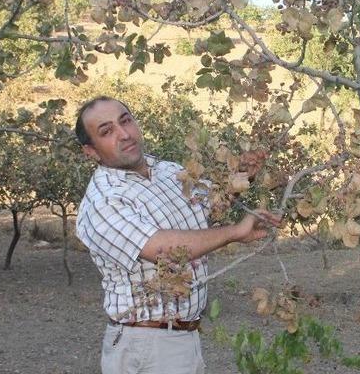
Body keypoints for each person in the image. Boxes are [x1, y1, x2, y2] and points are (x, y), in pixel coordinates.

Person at [74, 96, 279, 374]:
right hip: (147, 345)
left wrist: (244, 175)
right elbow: (162, 249)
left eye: (125, 121)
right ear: (91, 151)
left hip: (180, 336)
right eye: (107, 131)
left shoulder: (166, 171)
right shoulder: (104, 201)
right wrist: (234, 232)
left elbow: (210, 201)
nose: (124, 134)